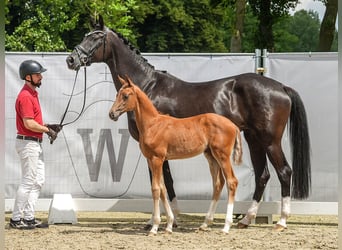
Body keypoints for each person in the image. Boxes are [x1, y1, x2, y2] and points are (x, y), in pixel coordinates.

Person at [9, 60, 62, 229]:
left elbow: (34, 122)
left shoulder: (32, 94)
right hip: (28, 144)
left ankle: (29, 217)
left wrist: (48, 126)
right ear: (28, 77)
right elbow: (29, 124)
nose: (41, 77)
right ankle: (16, 219)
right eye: (38, 74)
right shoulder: (25, 96)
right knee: (28, 181)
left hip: (34, 143)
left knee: (38, 180)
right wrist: (47, 130)